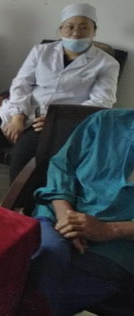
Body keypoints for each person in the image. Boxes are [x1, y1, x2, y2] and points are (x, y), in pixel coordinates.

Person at [0, 2, 119, 182]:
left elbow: (101, 102)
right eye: (70, 27)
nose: (76, 33)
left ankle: (20, 199)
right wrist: (17, 116)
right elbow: (21, 83)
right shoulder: (41, 51)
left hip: (64, 123)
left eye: (84, 27)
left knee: (24, 153)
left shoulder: (107, 63)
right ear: (60, 29)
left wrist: (57, 120)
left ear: (94, 31)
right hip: (25, 111)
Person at [30, 109, 134, 315]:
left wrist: (109, 230)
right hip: (59, 216)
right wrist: (66, 216)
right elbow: (62, 167)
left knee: (51, 290)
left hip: (119, 245)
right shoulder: (104, 122)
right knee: (37, 257)